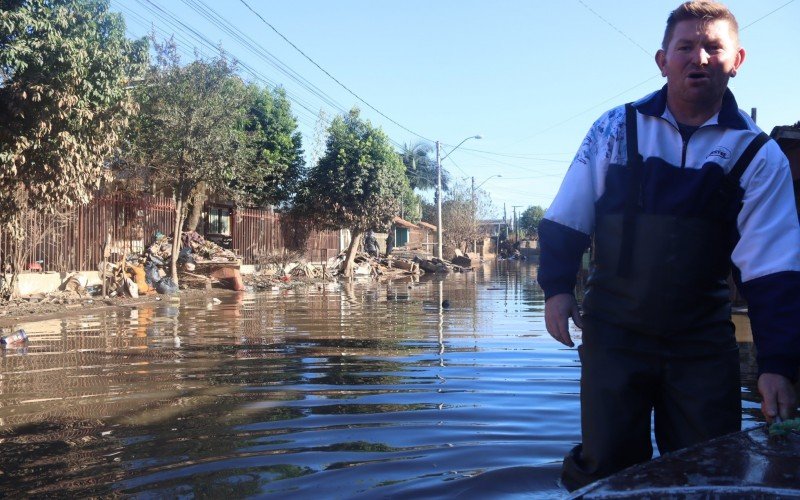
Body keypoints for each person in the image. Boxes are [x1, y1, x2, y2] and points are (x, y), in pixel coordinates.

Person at [538, 0, 800, 491]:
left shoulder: (759, 156)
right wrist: (556, 287)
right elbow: (566, 216)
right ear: (663, 60)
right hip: (613, 335)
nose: (699, 58)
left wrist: (777, 366)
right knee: (606, 469)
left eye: (713, 47)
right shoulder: (615, 130)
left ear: (737, 61)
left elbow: (773, 271)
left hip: (702, 344)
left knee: (711, 474)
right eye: (686, 47)